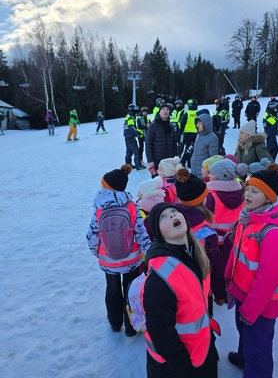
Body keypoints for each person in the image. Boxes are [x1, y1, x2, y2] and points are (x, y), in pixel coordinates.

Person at [225, 163, 278, 377]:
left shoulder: (273, 233)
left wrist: (252, 308)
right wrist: (228, 277)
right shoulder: (247, 218)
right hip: (242, 292)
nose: (247, 194)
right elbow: (236, 251)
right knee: (245, 334)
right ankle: (243, 358)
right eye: (247, 188)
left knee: (258, 345)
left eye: (255, 191)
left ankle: (256, 371)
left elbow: (268, 279)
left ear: (269, 198)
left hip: (261, 304)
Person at [143, 202, 219, 378]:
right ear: (158, 232)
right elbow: (161, 332)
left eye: (174, 211)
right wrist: (183, 367)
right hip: (175, 364)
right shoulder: (159, 277)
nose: (171, 215)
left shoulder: (196, 253)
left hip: (201, 349)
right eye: (163, 216)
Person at [86, 164, 151, 337]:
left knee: (112, 290)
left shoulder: (99, 206)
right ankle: (131, 327)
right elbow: (140, 231)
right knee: (131, 290)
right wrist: (150, 253)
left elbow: (92, 234)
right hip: (132, 258)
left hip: (108, 260)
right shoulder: (130, 205)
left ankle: (115, 323)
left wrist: (98, 252)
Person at [175, 167, 226, 310]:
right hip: (200, 290)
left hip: (173, 287)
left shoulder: (166, 221)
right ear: (202, 199)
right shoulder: (206, 232)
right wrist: (220, 293)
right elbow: (215, 266)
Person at [206, 159, 247, 252]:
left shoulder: (211, 195)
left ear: (221, 176)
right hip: (234, 237)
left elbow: (205, 217)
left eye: (212, 174)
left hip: (214, 239)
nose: (209, 176)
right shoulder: (241, 193)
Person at [145, 103, 177, 177]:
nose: (165, 111)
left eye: (167, 109)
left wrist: (176, 156)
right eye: (163, 109)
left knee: (170, 183)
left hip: (170, 160)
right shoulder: (153, 126)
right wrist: (150, 161)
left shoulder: (171, 127)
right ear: (159, 112)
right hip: (157, 160)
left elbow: (174, 143)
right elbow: (148, 144)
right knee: (157, 183)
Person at [191, 111, 219, 179]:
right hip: (194, 171)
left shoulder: (212, 138)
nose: (197, 125)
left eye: (200, 123)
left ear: (206, 124)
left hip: (204, 174)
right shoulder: (199, 135)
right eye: (197, 123)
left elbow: (213, 159)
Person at [124, 104, 146, 170]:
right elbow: (131, 127)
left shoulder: (128, 116)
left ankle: (128, 165)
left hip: (127, 136)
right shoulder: (131, 117)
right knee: (136, 151)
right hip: (130, 137)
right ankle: (138, 165)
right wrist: (137, 133)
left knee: (129, 152)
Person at [179, 99, 198, 168]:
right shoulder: (198, 113)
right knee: (193, 148)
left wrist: (180, 132)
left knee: (188, 148)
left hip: (187, 133)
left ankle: (185, 161)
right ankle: (187, 162)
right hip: (196, 133)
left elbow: (182, 124)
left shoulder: (187, 113)